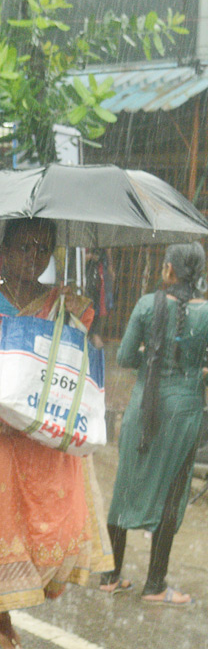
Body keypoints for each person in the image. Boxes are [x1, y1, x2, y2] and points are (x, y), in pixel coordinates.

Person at [0, 218, 112, 649]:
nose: (32, 259)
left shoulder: (63, 303)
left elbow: (70, 368)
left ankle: (2, 607)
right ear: (4, 248)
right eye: (23, 247)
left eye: (42, 250)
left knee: (40, 532)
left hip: (39, 438)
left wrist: (73, 319)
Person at [99, 243, 207, 606]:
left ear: (169, 271)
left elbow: (127, 356)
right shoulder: (206, 313)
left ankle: (110, 576)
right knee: (171, 495)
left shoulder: (147, 305)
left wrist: (152, 355)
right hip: (185, 414)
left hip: (143, 411)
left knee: (126, 487)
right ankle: (155, 584)